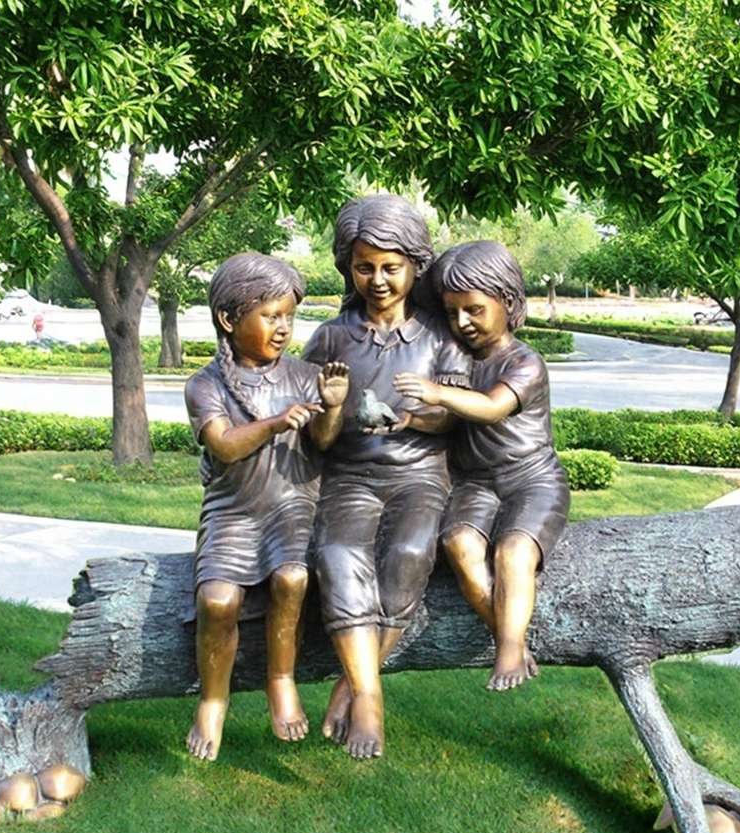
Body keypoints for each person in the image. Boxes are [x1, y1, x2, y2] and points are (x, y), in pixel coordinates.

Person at [302, 195, 471, 759]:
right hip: (349, 476)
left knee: (412, 546)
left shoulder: (440, 338)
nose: (377, 280)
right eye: (364, 267)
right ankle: (370, 697)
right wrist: (330, 408)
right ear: (347, 267)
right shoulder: (329, 338)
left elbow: (455, 414)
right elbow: (318, 441)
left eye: (391, 268)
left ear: (416, 265)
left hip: (420, 473)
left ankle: (353, 682)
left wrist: (419, 414)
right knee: (337, 553)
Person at [183, 253, 349, 761]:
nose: (282, 328)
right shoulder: (205, 384)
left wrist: (333, 405)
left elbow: (321, 442)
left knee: (292, 579)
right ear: (229, 320)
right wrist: (276, 423)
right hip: (233, 510)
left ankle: (282, 679)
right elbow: (225, 446)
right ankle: (213, 700)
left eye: (288, 317)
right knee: (216, 601)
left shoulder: (302, 375)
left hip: (292, 503)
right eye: (270, 316)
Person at [394, 240, 569, 690]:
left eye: (473, 310)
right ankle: (509, 636)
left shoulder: (525, 362)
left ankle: (508, 647)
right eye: (452, 313)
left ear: (507, 303)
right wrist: (411, 419)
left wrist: (435, 392)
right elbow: (450, 420)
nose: (462, 322)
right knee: (458, 543)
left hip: (531, 479)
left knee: (513, 552)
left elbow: (491, 408)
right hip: (475, 481)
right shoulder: (459, 361)